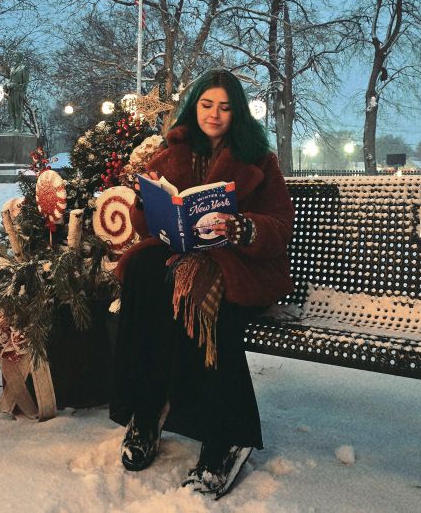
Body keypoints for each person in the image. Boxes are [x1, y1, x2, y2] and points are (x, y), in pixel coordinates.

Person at [110, 69, 295, 499]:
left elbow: (281, 224)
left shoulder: (258, 159)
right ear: (195, 107)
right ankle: (147, 407)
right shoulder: (172, 150)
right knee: (142, 274)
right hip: (181, 257)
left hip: (238, 268)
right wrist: (148, 208)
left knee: (210, 306)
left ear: (237, 113)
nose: (215, 114)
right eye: (207, 105)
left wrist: (243, 227)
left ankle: (228, 436)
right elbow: (141, 220)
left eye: (225, 107)